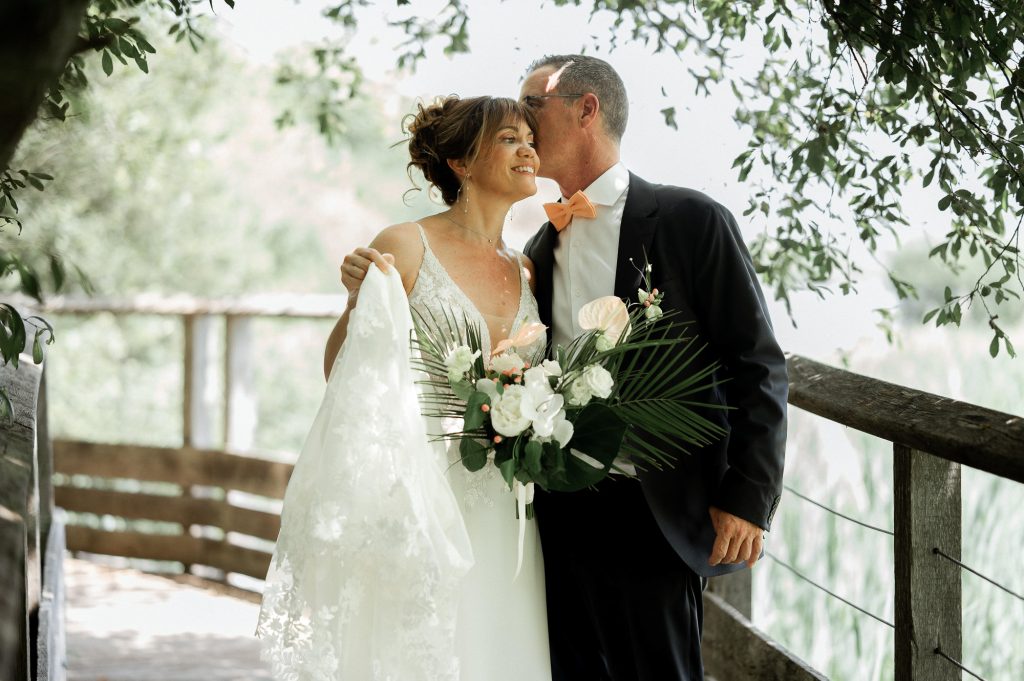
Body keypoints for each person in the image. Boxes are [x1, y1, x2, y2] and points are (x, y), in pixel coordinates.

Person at [259, 95, 552, 681]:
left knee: (499, 649)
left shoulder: (526, 268)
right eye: (508, 138)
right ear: (462, 163)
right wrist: (354, 304)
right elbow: (341, 369)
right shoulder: (406, 243)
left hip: (508, 505)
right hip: (422, 493)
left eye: (530, 139)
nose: (528, 150)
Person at [518, 54, 789, 681]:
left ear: (586, 109)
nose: (520, 120)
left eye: (533, 104)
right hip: (558, 510)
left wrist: (749, 495)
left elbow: (758, 364)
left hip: (654, 512)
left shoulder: (692, 221)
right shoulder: (540, 246)